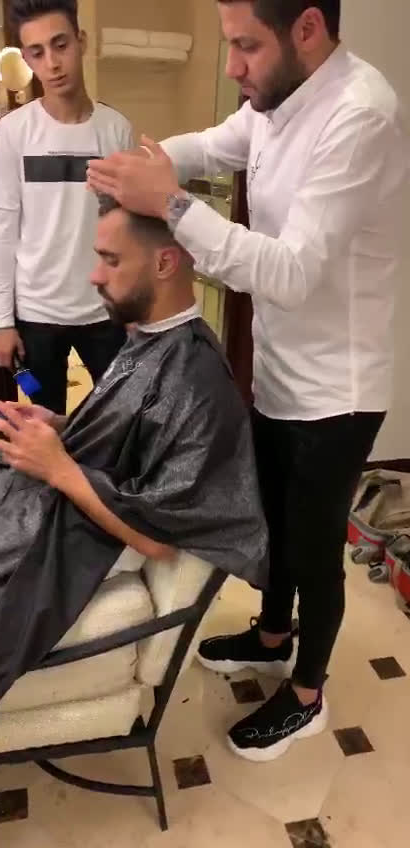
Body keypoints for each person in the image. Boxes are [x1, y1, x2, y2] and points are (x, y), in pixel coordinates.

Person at [87, 0, 409, 762]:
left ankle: (308, 695)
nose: (232, 65)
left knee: (312, 546)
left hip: (337, 392)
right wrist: (137, 164)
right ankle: (271, 636)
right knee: (270, 520)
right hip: (279, 369)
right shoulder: (275, 97)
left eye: (245, 46)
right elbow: (209, 146)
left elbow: (291, 272)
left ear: (307, 28)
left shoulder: (361, 116)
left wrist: (170, 204)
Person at [0, 194, 268, 769]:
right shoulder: (150, 338)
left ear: (164, 263)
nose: (94, 275)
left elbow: (159, 541)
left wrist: (59, 468)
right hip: (43, 499)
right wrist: (59, 426)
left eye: (110, 260)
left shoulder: (198, 384)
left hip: (62, 536)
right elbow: (123, 436)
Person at [0, 0, 133, 413]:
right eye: (37, 52)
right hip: (35, 316)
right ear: (27, 59)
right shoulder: (13, 131)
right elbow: (4, 231)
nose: (52, 63)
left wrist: (134, 307)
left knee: (114, 421)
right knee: (42, 417)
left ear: (80, 42)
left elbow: (128, 228)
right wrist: (3, 323)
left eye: (60, 45)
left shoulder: (116, 130)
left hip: (104, 313)